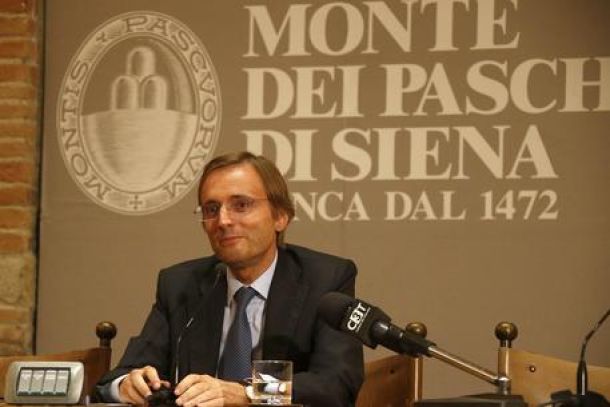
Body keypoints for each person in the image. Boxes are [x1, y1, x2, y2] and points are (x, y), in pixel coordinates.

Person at [95, 151, 364, 407]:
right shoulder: (180, 285)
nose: (223, 221)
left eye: (241, 205)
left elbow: (335, 385)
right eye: (211, 209)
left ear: (281, 216)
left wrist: (247, 393)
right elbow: (113, 381)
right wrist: (126, 385)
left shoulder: (325, 279)